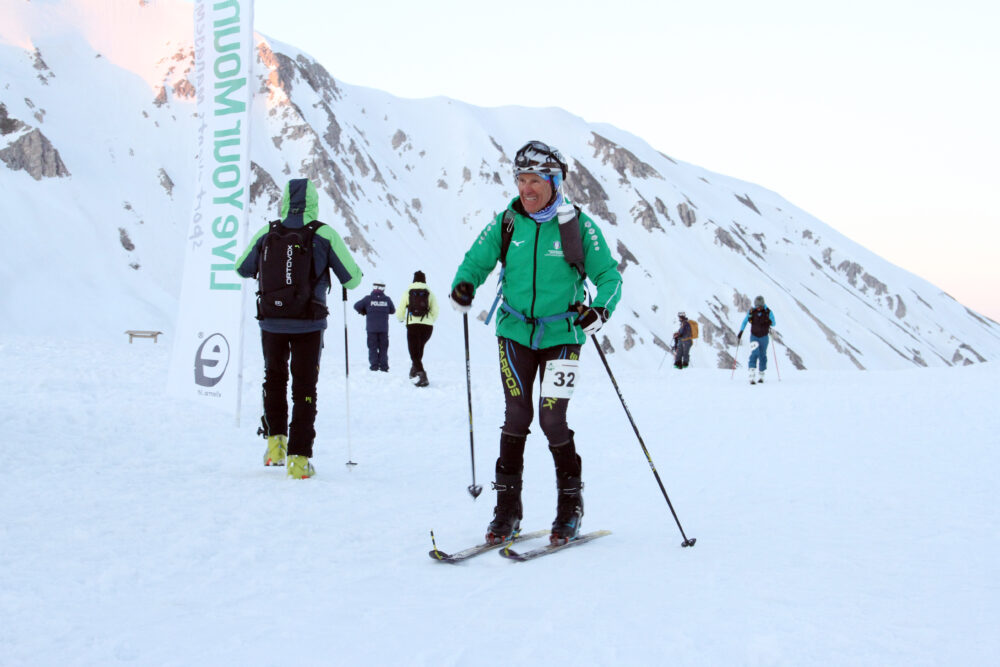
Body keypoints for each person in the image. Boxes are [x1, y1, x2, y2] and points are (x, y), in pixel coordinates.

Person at [449, 139, 623, 547]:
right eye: (521, 179)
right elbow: (476, 260)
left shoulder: (578, 226)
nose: (526, 188)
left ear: (555, 182)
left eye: (535, 180)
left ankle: (570, 507)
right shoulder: (507, 222)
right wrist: (464, 283)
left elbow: (609, 277)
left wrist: (600, 310)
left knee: (551, 419)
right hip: (514, 332)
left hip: (563, 336)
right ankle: (507, 510)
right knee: (516, 415)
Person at [236, 178, 363, 479]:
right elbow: (352, 279)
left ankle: (275, 447)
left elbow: (242, 267)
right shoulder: (324, 233)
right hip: (309, 323)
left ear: (284, 202)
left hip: (271, 321)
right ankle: (299, 460)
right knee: (304, 388)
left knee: (274, 379)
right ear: (313, 202)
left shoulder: (268, 231)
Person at [396, 270, 439, 387]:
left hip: (413, 325)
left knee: (414, 352)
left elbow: (400, 310)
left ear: (414, 280)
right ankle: (414, 370)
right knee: (419, 350)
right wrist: (430, 320)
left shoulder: (408, 292)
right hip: (427, 327)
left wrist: (401, 319)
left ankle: (422, 375)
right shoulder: (430, 293)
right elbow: (435, 310)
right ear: (424, 280)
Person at [354, 282, 395, 372]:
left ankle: (374, 366)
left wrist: (364, 311)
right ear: (383, 289)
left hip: (371, 329)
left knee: (372, 347)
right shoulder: (387, 299)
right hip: (384, 329)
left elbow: (356, 306)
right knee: (383, 348)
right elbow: (393, 311)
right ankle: (384, 366)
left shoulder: (368, 299)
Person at [737, 295, 776, 384]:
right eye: (757, 306)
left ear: (763, 304)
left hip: (764, 337)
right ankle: (752, 375)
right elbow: (745, 322)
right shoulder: (752, 312)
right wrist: (741, 332)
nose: (758, 308)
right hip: (754, 336)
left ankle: (761, 374)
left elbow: (774, 323)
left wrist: (769, 321)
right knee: (754, 353)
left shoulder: (768, 312)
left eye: (760, 306)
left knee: (762, 355)